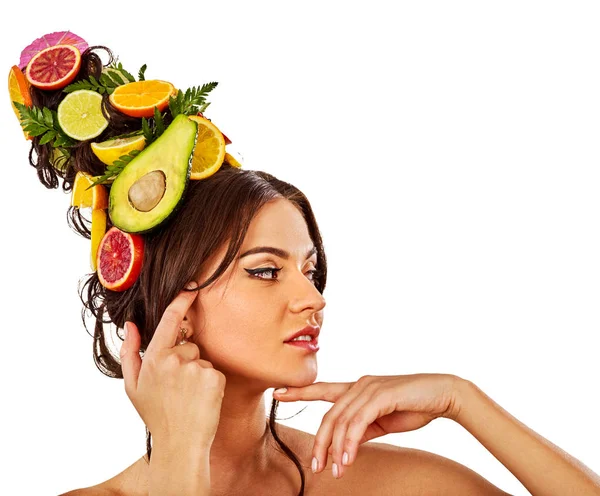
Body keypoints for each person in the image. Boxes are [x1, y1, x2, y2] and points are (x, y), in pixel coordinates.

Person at [11, 32, 600, 496]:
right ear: (178, 312)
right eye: (266, 270)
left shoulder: (379, 484)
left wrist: (462, 400)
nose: (313, 299)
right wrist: (180, 458)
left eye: (310, 270)